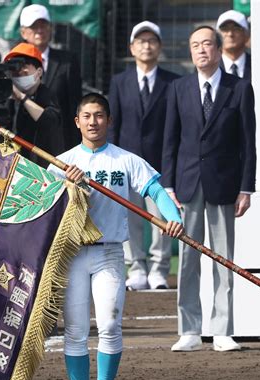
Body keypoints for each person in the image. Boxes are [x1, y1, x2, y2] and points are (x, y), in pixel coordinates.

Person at [48, 93, 183, 380]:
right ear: (77, 121)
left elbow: (154, 190)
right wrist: (68, 185)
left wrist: (172, 217)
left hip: (110, 252)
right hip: (73, 254)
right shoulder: (61, 163)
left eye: (99, 115)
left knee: (109, 322)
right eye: (87, 116)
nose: (93, 122)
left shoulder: (126, 161)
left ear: (108, 120)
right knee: (76, 329)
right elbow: (45, 205)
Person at [161, 26, 256, 352]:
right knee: (187, 260)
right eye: (195, 45)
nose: (201, 50)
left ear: (218, 49)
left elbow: (248, 143)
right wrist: (168, 186)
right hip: (187, 186)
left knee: (223, 259)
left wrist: (246, 188)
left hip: (224, 185)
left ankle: (222, 330)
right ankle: (189, 329)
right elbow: (170, 141)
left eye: (207, 44)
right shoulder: (178, 88)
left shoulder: (240, 89)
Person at [108, 21, 180, 290]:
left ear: (159, 47)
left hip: (161, 163)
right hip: (127, 164)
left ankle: (160, 269)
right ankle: (136, 267)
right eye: (141, 41)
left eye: (151, 41)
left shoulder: (173, 81)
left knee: (162, 219)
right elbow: (113, 123)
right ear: (131, 47)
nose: (146, 46)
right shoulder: (119, 81)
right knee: (131, 218)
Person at [20, 4, 82, 150]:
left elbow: (75, 104)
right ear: (23, 32)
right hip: (25, 143)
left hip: (59, 144)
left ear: (50, 28)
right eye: (34, 26)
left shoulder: (67, 61)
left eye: (44, 25)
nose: (39, 30)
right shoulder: (14, 63)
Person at [2, 42, 64, 168]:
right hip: (14, 163)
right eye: (15, 72)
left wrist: (23, 98)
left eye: (24, 69)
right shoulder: (9, 96)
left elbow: (50, 121)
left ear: (39, 72)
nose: (19, 74)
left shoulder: (47, 94)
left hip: (41, 167)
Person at [216, 10, 251, 80]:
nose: (230, 34)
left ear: (246, 35)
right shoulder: (209, 67)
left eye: (236, 28)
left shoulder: (258, 65)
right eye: (224, 29)